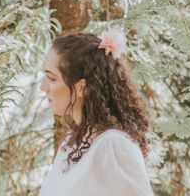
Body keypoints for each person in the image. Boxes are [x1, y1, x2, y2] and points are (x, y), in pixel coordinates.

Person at [39, 29, 153, 196]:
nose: (43, 87)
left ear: (81, 88)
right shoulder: (72, 142)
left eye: (52, 78)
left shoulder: (113, 145)